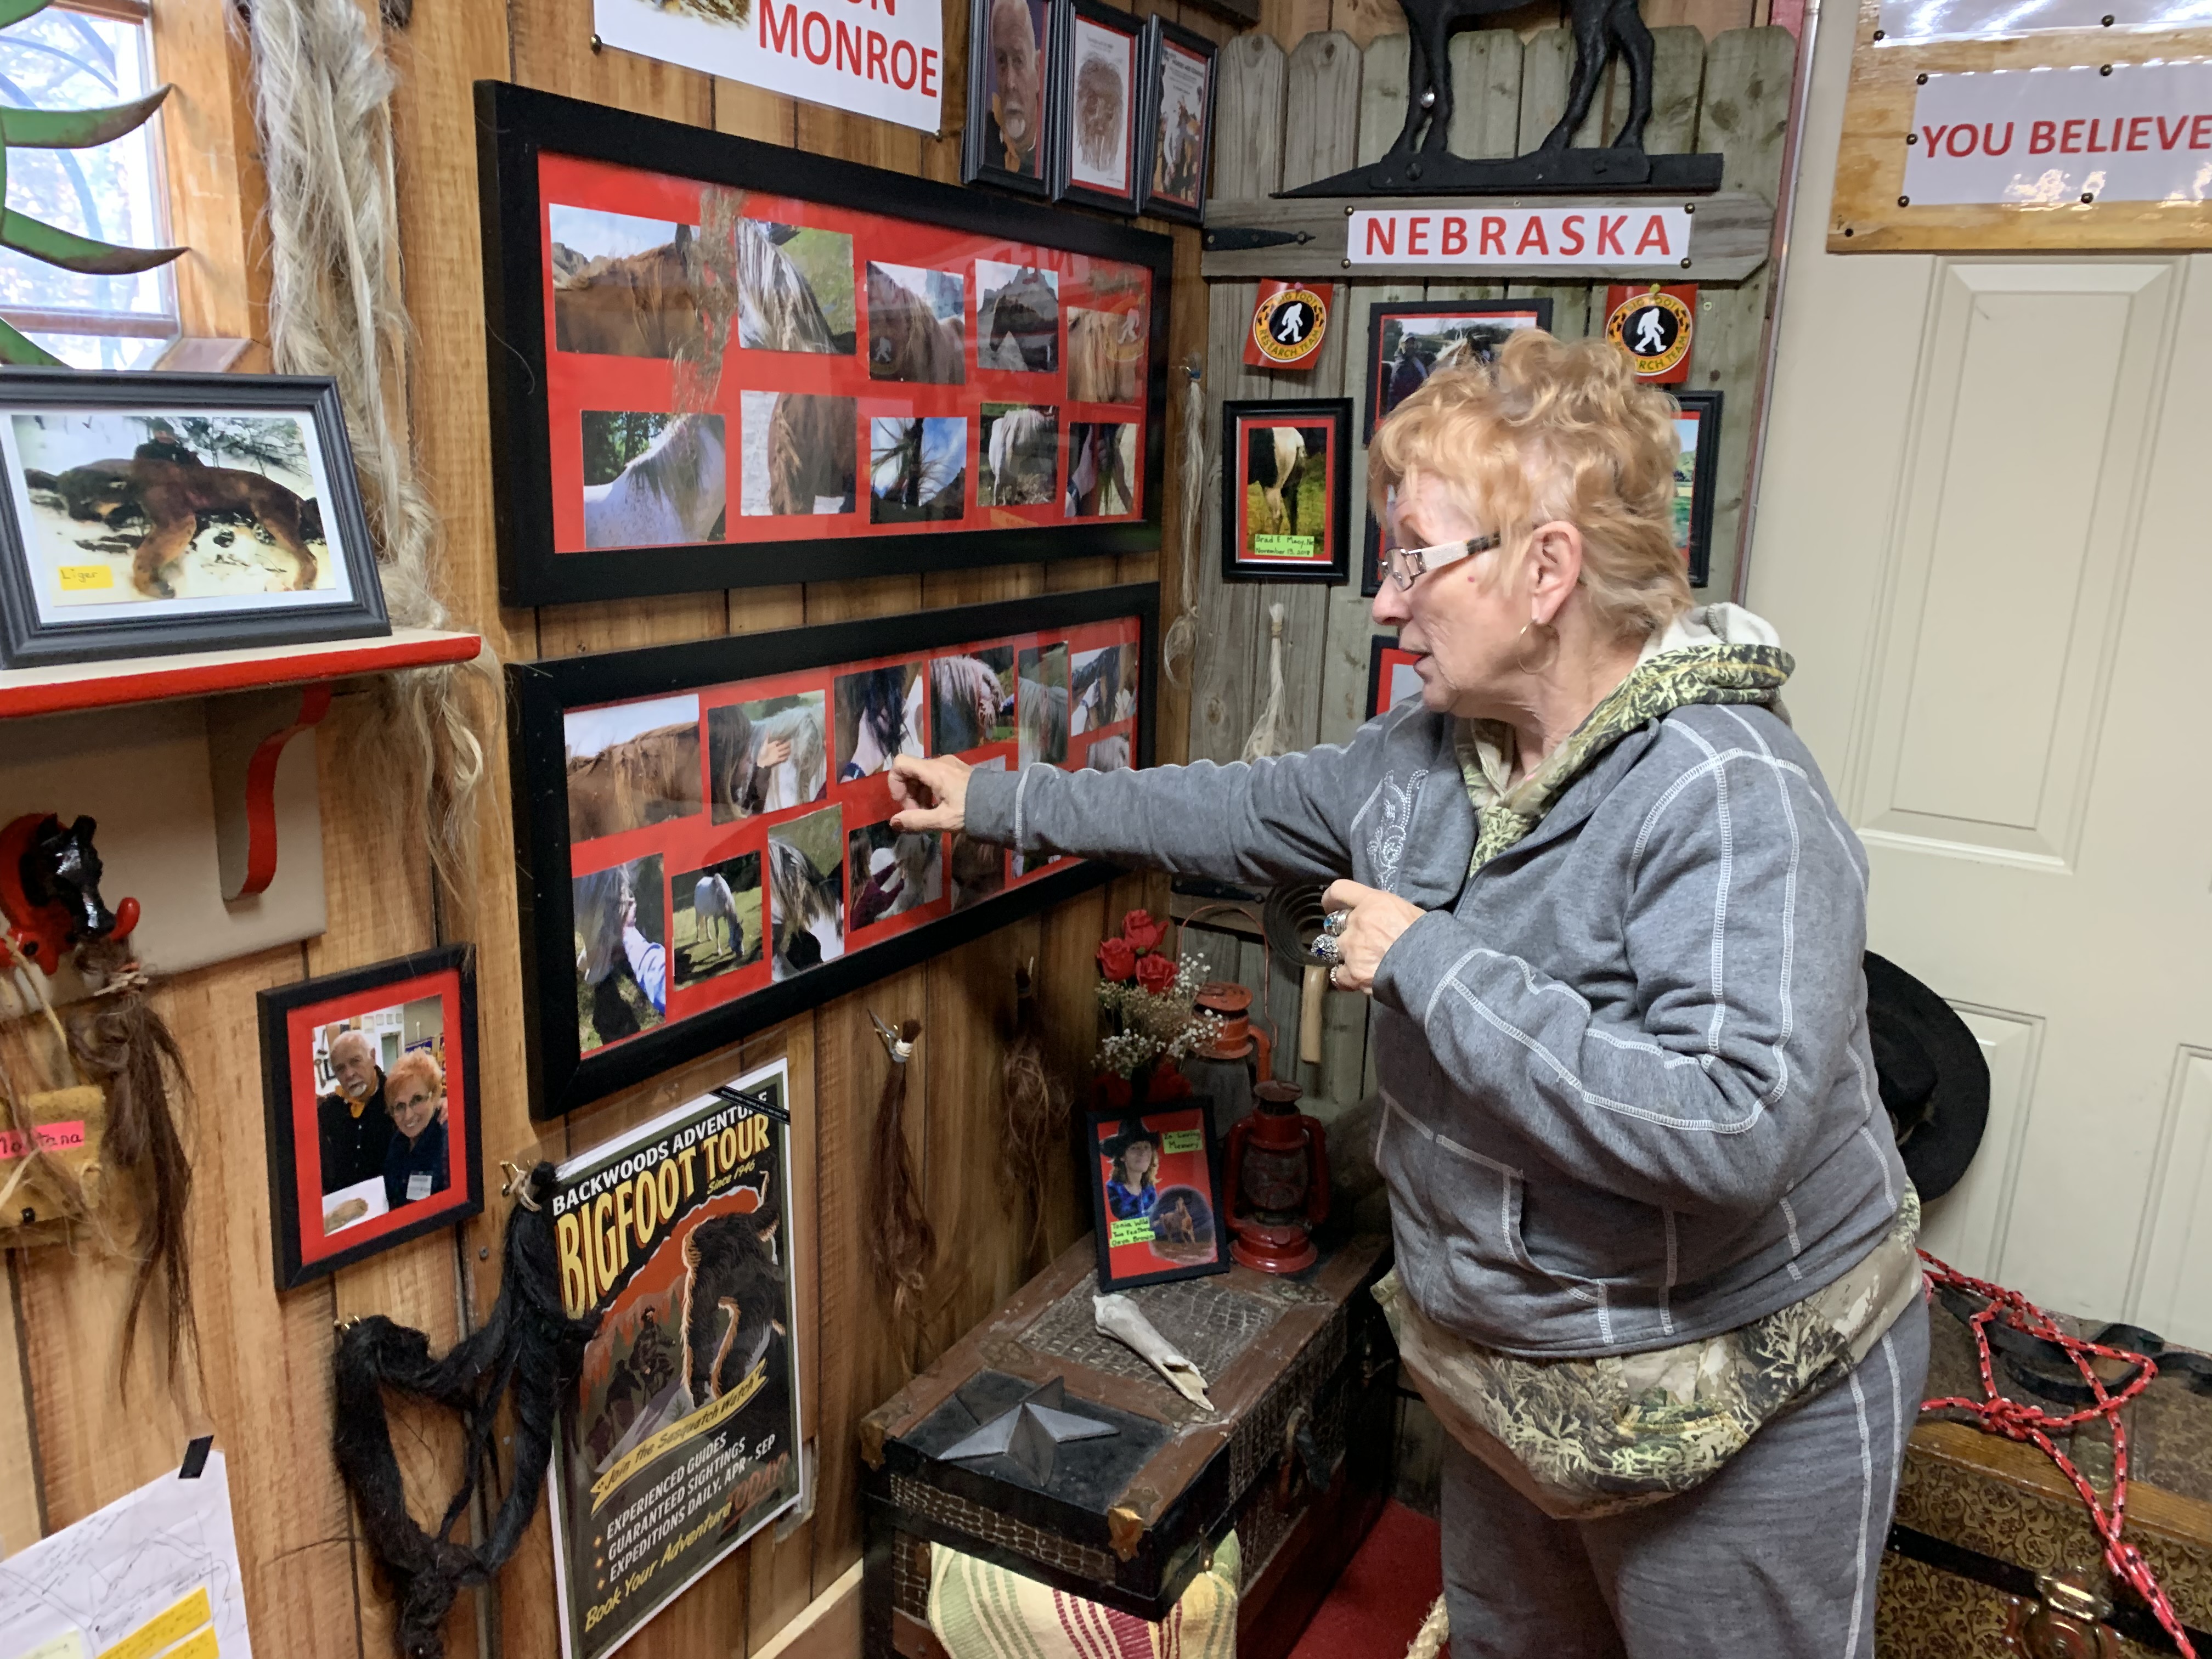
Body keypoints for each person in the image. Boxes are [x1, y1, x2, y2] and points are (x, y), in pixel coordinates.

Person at [890, 331, 1927, 1658]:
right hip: (1513, 1383)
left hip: (1741, 1398)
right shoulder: (1426, 756)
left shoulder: (1729, 791)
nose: (1385, 605)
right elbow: (1237, 809)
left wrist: (1431, 963)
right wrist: (999, 799)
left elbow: (1732, 1126)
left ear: (1544, 570)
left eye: (1411, 560)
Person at [317, 1028, 392, 1194]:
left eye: (355, 1061)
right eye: (340, 1069)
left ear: (372, 1057)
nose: (349, 1074)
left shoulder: (397, 1097)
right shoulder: (329, 1110)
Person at [380, 1049, 449, 1210]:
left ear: (434, 1095)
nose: (408, 1115)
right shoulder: (398, 1142)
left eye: (417, 1099)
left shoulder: (447, 1142)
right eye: (400, 1106)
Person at [984, 0, 1042, 177]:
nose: (1010, 83)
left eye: (1019, 61)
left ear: (1038, 71)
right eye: (1002, 61)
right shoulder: (983, 139)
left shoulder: (1056, 147)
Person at [1098, 1120, 1160, 1220]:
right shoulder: (1111, 1189)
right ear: (1122, 1156)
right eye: (1135, 1148)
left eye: (1146, 1147)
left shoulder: (1149, 1188)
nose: (1143, 1153)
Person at [851, 845, 906, 929]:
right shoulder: (869, 892)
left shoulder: (856, 879)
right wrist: (902, 882)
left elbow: (875, 881)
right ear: (865, 858)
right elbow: (886, 901)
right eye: (869, 852)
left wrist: (894, 866)